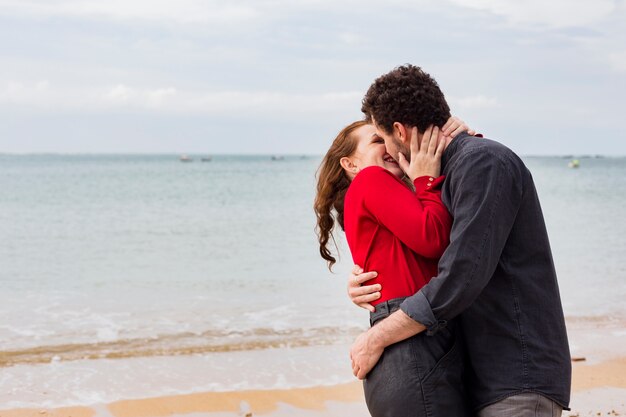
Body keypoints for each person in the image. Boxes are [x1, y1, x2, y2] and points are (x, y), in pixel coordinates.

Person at [347, 64, 571, 417]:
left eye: (382, 137)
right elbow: (423, 253)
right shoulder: (446, 173)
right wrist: (364, 281)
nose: (387, 150)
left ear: (400, 131)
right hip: (478, 377)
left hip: (516, 375)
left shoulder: (483, 162)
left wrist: (378, 335)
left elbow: (460, 276)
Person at [314, 118, 473, 417]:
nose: (388, 145)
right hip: (410, 344)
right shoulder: (370, 178)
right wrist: (426, 181)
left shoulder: (388, 194)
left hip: (410, 338)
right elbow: (434, 239)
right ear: (350, 164)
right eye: (377, 141)